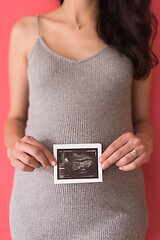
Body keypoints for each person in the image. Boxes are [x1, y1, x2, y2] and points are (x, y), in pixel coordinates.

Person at [4, 0, 158, 239]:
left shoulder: (134, 31)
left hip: (116, 212)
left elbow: (142, 119)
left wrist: (144, 142)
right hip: (37, 209)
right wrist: (14, 146)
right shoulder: (25, 31)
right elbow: (15, 117)